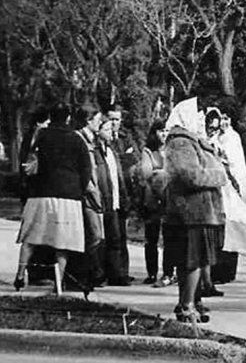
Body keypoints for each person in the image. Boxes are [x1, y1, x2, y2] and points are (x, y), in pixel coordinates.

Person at [14, 103, 92, 294]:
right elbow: (86, 170)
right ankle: (59, 281)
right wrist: (78, 190)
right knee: (62, 243)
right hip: (68, 195)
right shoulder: (77, 139)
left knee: (30, 237)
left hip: (40, 194)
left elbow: (30, 161)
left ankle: (19, 275)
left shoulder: (41, 136)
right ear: (67, 118)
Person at [163, 97, 227, 323]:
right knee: (191, 261)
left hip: (199, 212)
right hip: (191, 213)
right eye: (198, 114)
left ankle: (193, 302)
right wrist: (219, 176)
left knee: (197, 261)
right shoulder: (181, 141)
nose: (201, 119)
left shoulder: (194, 140)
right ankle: (186, 305)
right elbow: (191, 175)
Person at [19, 106, 54, 286]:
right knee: (37, 234)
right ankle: (36, 272)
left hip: (32, 192)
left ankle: (37, 271)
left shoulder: (32, 137)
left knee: (37, 234)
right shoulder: (37, 138)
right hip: (36, 192)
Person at [74, 104, 106, 289]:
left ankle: (89, 274)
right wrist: (94, 195)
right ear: (88, 120)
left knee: (94, 236)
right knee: (94, 235)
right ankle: (85, 275)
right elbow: (86, 171)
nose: (100, 123)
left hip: (92, 193)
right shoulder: (81, 139)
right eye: (97, 119)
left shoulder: (90, 139)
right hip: (87, 195)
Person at [97, 117, 131, 286]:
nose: (111, 133)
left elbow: (118, 177)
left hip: (116, 199)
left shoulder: (112, 151)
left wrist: (124, 197)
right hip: (104, 200)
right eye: (107, 129)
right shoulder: (96, 151)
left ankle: (118, 273)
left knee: (117, 238)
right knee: (106, 239)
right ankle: (104, 273)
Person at [138, 119, 170, 284]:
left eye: (166, 131)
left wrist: (159, 172)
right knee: (151, 238)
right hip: (152, 200)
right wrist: (163, 173)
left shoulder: (172, 150)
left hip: (169, 200)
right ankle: (152, 272)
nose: (164, 134)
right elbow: (146, 172)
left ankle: (168, 272)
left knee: (169, 238)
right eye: (160, 131)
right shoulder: (148, 151)